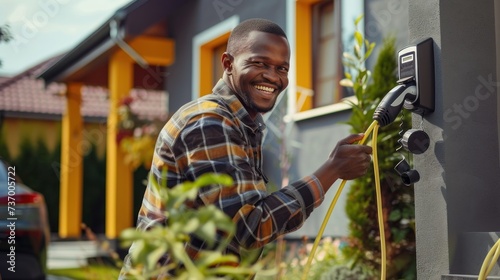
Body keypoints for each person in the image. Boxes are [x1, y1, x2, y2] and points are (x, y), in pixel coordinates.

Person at [120, 18, 372, 278]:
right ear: (228, 64)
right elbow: (251, 227)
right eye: (259, 63)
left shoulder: (241, 123)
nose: (273, 77)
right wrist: (332, 169)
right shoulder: (208, 122)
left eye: (282, 68)